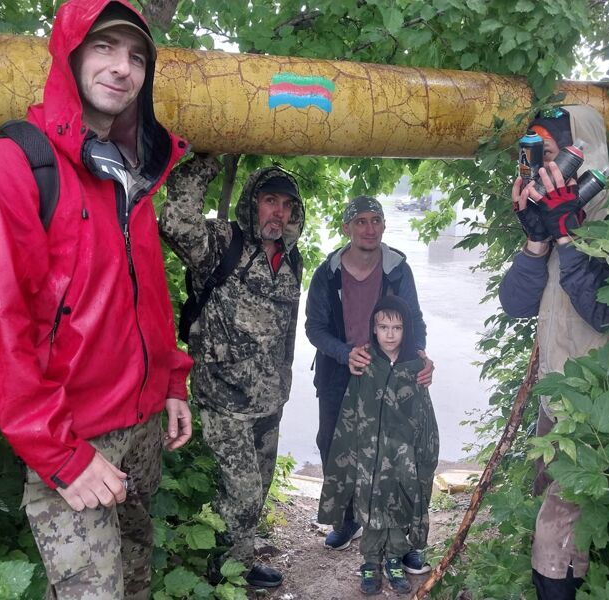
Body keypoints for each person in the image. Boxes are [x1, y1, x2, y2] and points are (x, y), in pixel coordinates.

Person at [0, 1, 194, 597]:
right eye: (105, 48)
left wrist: (171, 382)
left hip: (140, 427)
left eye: (137, 56)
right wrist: (60, 455)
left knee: (137, 571)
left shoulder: (131, 171)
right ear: (71, 55)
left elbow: (148, 294)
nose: (122, 68)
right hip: (73, 439)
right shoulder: (13, 166)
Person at [498, 105, 609, 599]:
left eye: (547, 156)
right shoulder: (558, 211)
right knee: (554, 523)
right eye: (532, 159)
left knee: (557, 531)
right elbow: (515, 304)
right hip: (557, 397)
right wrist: (537, 238)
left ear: (582, 153)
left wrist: (568, 232)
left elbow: (605, 312)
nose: (537, 171)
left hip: (601, 404)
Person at [159, 154, 304, 589]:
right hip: (224, 399)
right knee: (240, 493)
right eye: (269, 200)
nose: (277, 212)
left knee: (255, 493)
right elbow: (176, 222)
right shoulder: (225, 243)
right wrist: (209, 155)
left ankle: (241, 563)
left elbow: (288, 333)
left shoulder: (291, 261)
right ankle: (219, 576)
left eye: (285, 205)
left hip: (269, 401)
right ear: (252, 203)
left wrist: (284, 382)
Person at [305, 195, 434, 571]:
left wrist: (420, 356)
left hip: (391, 373)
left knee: (398, 453)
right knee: (333, 445)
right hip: (337, 372)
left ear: (383, 225)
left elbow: (414, 321)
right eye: (360, 221)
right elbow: (314, 328)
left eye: (375, 220)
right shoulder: (327, 273)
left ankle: (404, 535)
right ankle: (349, 520)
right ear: (346, 228)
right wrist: (346, 354)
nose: (369, 228)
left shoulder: (397, 270)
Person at [318, 295, 439, 595]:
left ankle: (395, 560)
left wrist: (424, 453)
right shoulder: (366, 364)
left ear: (406, 330)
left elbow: (425, 416)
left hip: (403, 458)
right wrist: (350, 450)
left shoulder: (415, 367)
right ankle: (371, 562)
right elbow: (350, 410)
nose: (389, 334)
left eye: (396, 328)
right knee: (370, 508)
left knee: (399, 506)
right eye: (383, 326)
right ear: (373, 328)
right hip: (370, 455)